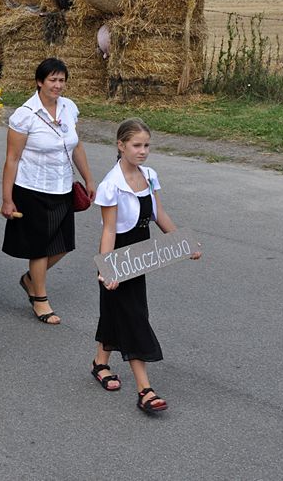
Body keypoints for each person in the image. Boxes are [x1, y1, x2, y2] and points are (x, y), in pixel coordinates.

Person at [92, 118, 201, 413]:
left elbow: (158, 214)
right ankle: (145, 390)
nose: (142, 151)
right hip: (118, 258)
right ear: (121, 145)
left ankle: (100, 363)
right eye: (136, 145)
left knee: (117, 312)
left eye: (146, 145)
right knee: (134, 316)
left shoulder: (150, 176)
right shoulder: (110, 185)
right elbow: (109, 230)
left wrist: (182, 241)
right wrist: (107, 269)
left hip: (140, 257)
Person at [0, 57, 96, 325]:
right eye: (52, 80)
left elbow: (76, 146)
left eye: (61, 80)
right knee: (39, 248)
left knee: (63, 244)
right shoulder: (24, 115)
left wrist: (88, 178)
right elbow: (12, 159)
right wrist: (7, 199)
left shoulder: (69, 108)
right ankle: (40, 299)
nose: (57, 85)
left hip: (63, 187)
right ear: (39, 82)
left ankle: (30, 279)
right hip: (32, 190)